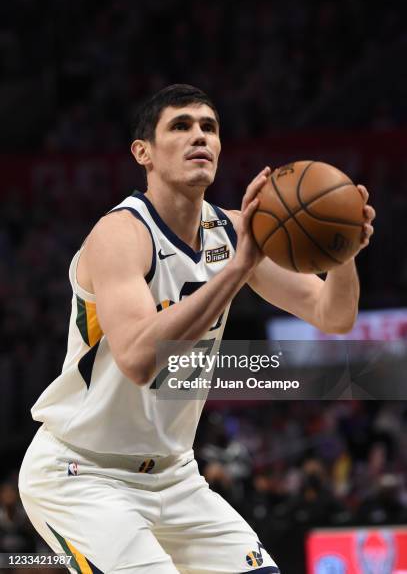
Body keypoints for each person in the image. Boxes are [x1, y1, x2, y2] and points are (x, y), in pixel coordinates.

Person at [19, 84, 375, 574]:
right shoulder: (120, 234)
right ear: (143, 152)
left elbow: (334, 317)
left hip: (177, 478)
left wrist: (343, 253)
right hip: (82, 474)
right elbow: (140, 360)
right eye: (181, 126)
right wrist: (238, 268)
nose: (199, 136)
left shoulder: (232, 233)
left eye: (209, 127)